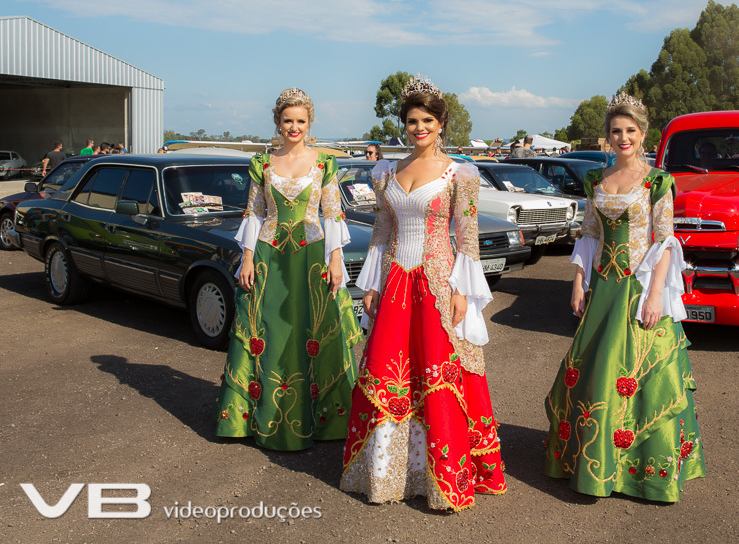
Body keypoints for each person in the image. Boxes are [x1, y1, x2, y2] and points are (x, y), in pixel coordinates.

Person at [341, 75, 506, 511]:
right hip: (396, 279)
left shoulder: (460, 174)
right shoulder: (387, 172)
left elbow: (466, 237)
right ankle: (388, 475)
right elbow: (382, 229)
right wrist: (372, 283)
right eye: (412, 120)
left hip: (436, 281)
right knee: (388, 370)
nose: (419, 128)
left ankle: (443, 480)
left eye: (427, 120)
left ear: (441, 123)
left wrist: (460, 291)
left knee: (438, 373)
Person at [544, 92, 704, 503]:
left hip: (637, 288)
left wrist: (655, 296)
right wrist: (579, 283)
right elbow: (589, 234)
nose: (622, 138)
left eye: (629, 130)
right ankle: (593, 462)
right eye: (615, 131)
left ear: (643, 133)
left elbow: (666, 242)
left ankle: (639, 471)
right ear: (607, 137)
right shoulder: (596, 181)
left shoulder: (657, 182)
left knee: (640, 377)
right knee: (594, 372)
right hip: (603, 287)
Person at [215, 88, 361, 450]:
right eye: (287, 120)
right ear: (277, 123)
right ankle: (256, 417)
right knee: (269, 331)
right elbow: (254, 212)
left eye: (300, 121)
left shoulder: (324, 163)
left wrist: (336, 258)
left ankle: (324, 420)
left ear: (310, 124)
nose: (293, 127)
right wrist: (247, 257)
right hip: (268, 256)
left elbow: (332, 213)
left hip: (310, 259)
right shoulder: (262, 164)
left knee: (310, 329)